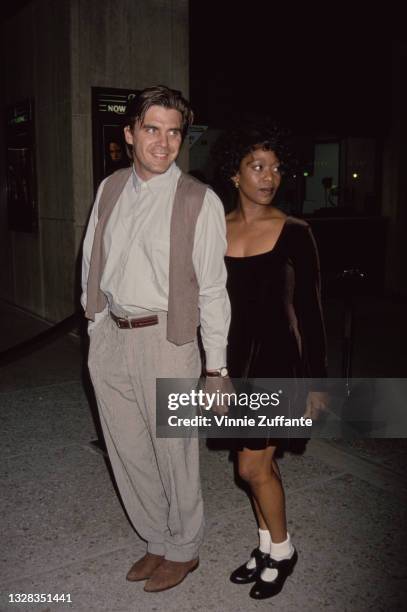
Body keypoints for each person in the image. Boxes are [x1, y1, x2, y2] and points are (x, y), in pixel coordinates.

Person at [81, 86, 231, 592]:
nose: (163, 143)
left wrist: (217, 369)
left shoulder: (198, 200)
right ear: (129, 134)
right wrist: (94, 326)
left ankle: (185, 548)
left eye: (173, 132)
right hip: (111, 336)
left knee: (175, 452)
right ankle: (156, 539)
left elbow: (213, 291)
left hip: (167, 339)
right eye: (152, 129)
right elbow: (90, 261)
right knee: (127, 449)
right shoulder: (110, 189)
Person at [213, 122, 327, 600]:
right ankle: (265, 546)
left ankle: (282, 552)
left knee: (251, 468)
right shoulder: (215, 228)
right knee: (256, 463)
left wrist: (318, 385)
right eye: (256, 166)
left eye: (276, 168)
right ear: (235, 174)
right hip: (235, 365)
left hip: (280, 363)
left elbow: (312, 312)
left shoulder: (296, 231)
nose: (269, 177)